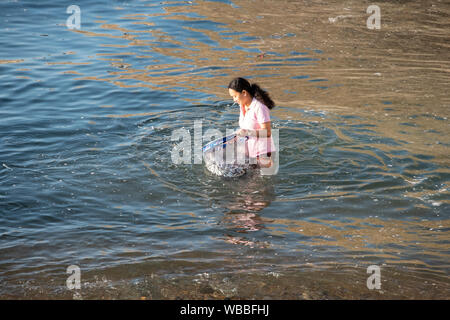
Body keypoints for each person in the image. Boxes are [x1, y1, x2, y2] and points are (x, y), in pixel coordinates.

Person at [228, 77, 276, 169]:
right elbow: (245, 129)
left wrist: (247, 132)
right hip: (249, 152)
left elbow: (267, 132)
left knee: (254, 183)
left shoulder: (259, 107)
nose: (234, 100)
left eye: (235, 96)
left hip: (262, 154)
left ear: (244, 93)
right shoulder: (242, 106)